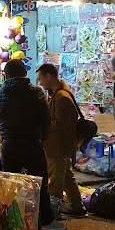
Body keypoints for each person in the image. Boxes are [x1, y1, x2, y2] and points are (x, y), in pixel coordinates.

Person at [0, 59, 66, 230]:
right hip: (32, 143)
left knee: (10, 185)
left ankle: (13, 223)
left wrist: (7, 135)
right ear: (25, 73)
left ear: (6, 75)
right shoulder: (36, 93)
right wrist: (41, 136)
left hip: (9, 145)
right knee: (39, 183)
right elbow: (45, 119)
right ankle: (45, 220)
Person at [36, 63, 88, 217]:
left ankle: (54, 211)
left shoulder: (62, 97)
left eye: (41, 79)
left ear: (49, 76)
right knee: (66, 176)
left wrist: (42, 124)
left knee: (55, 181)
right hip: (59, 145)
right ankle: (76, 206)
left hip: (58, 145)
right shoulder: (57, 93)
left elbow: (62, 124)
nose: (40, 83)